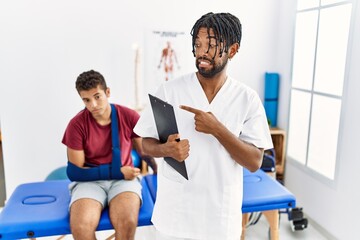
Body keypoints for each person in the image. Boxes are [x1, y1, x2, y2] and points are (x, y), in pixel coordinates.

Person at [134, 12, 273, 240]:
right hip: (175, 214)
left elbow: (254, 162)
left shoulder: (247, 99)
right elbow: (144, 144)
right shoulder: (170, 90)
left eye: (211, 46)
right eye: (198, 45)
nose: (202, 53)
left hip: (219, 218)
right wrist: (164, 149)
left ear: (233, 50)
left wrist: (217, 129)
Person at [62, 70, 157, 240]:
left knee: (127, 222)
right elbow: (75, 172)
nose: (93, 105)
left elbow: (143, 150)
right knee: (81, 228)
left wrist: (156, 170)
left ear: (107, 92)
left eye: (97, 96)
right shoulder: (76, 125)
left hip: (123, 181)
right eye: (86, 100)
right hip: (89, 181)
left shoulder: (128, 116)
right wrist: (117, 172)